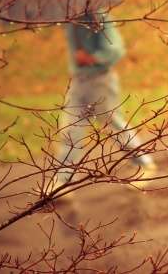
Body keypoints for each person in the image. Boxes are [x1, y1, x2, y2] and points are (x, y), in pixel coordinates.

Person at [51, 10, 156, 192]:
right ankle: (62, 181)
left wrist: (93, 58)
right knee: (71, 129)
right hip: (78, 81)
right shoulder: (69, 19)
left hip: (100, 80)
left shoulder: (97, 17)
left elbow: (116, 49)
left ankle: (144, 164)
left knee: (112, 124)